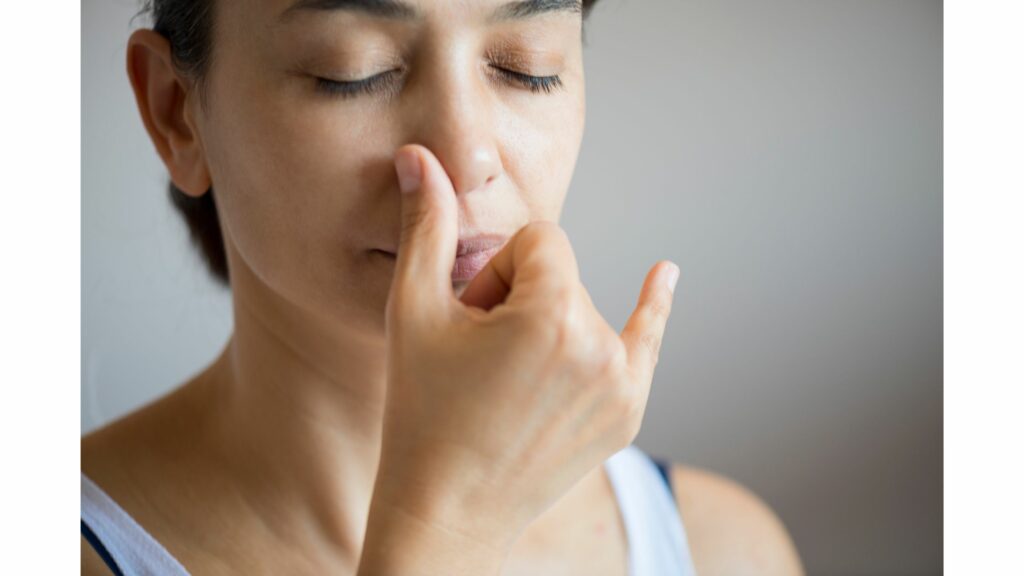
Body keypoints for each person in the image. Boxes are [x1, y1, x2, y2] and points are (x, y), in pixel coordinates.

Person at [82, 0, 804, 574]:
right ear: (177, 112)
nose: (466, 154)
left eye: (527, 67)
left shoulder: (722, 551)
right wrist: (449, 531)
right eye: (353, 71)